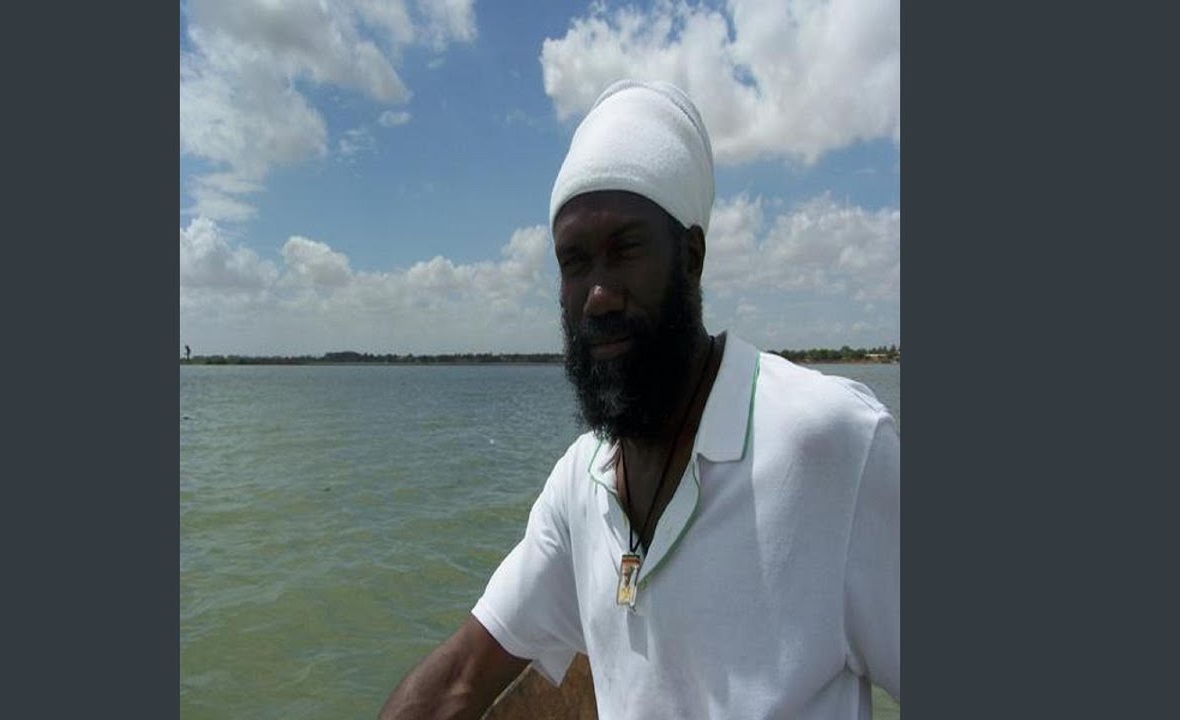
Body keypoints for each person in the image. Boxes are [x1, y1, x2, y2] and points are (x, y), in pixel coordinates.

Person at [379, 80, 899, 720]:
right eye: (574, 262)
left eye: (625, 249)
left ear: (692, 257)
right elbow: (462, 679)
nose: (598, 294)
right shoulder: (583, 481)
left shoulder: (832, 443)